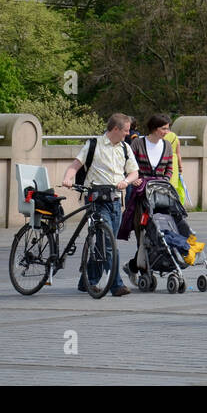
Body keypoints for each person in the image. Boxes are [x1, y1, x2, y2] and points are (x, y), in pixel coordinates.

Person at [60, 113, 138, 296]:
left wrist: (126, 182)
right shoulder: (94, 145)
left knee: (105, 244)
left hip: (116, 200)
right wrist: (67, 178)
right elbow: (75, 165)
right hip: (96, 200)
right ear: (116, 129)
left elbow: (135, 172)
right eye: (126, 130)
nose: (128, 134)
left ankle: (87, 280)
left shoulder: (125, 148)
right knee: (108, 244)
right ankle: (116, 285)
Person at [122, 114, 203, 263]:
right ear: (154, 128)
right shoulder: (138, 144)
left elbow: (169, 167)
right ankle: (141, 262)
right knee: (143, 229)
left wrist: (165, 179)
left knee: (164, 222)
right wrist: (135, 178)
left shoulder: (166, 145)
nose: (167, 131)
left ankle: (156, 258)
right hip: (141, 191)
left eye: (168, 128)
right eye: (164, 128)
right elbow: (128, 164)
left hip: (160, 191)